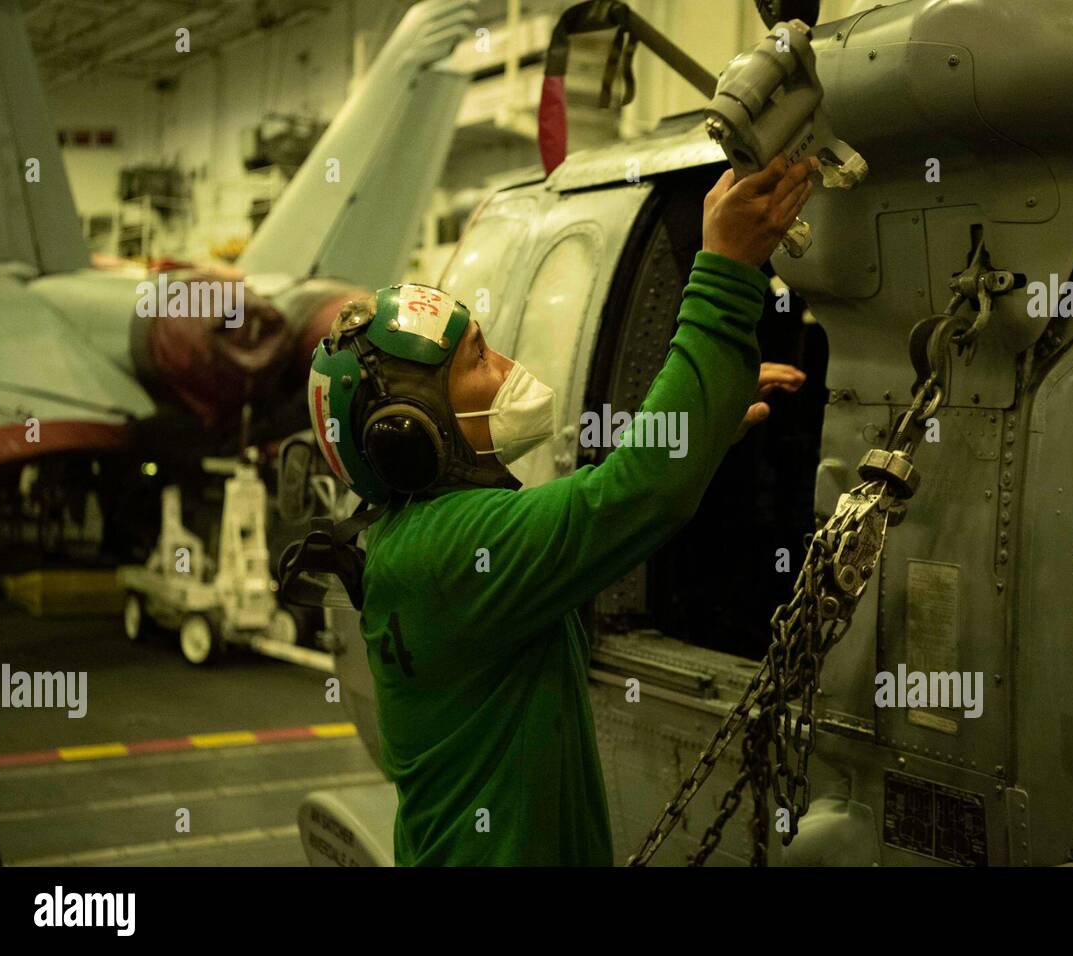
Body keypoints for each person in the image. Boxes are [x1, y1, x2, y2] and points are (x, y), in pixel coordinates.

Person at [304, 154, 819, 865]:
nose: (508, 367)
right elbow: (635, 495)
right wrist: (726, 270)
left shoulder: (416, 537)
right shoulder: (452, 547)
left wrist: (694, 427)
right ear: (413, 433)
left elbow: (598, 502)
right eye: (479, 359)